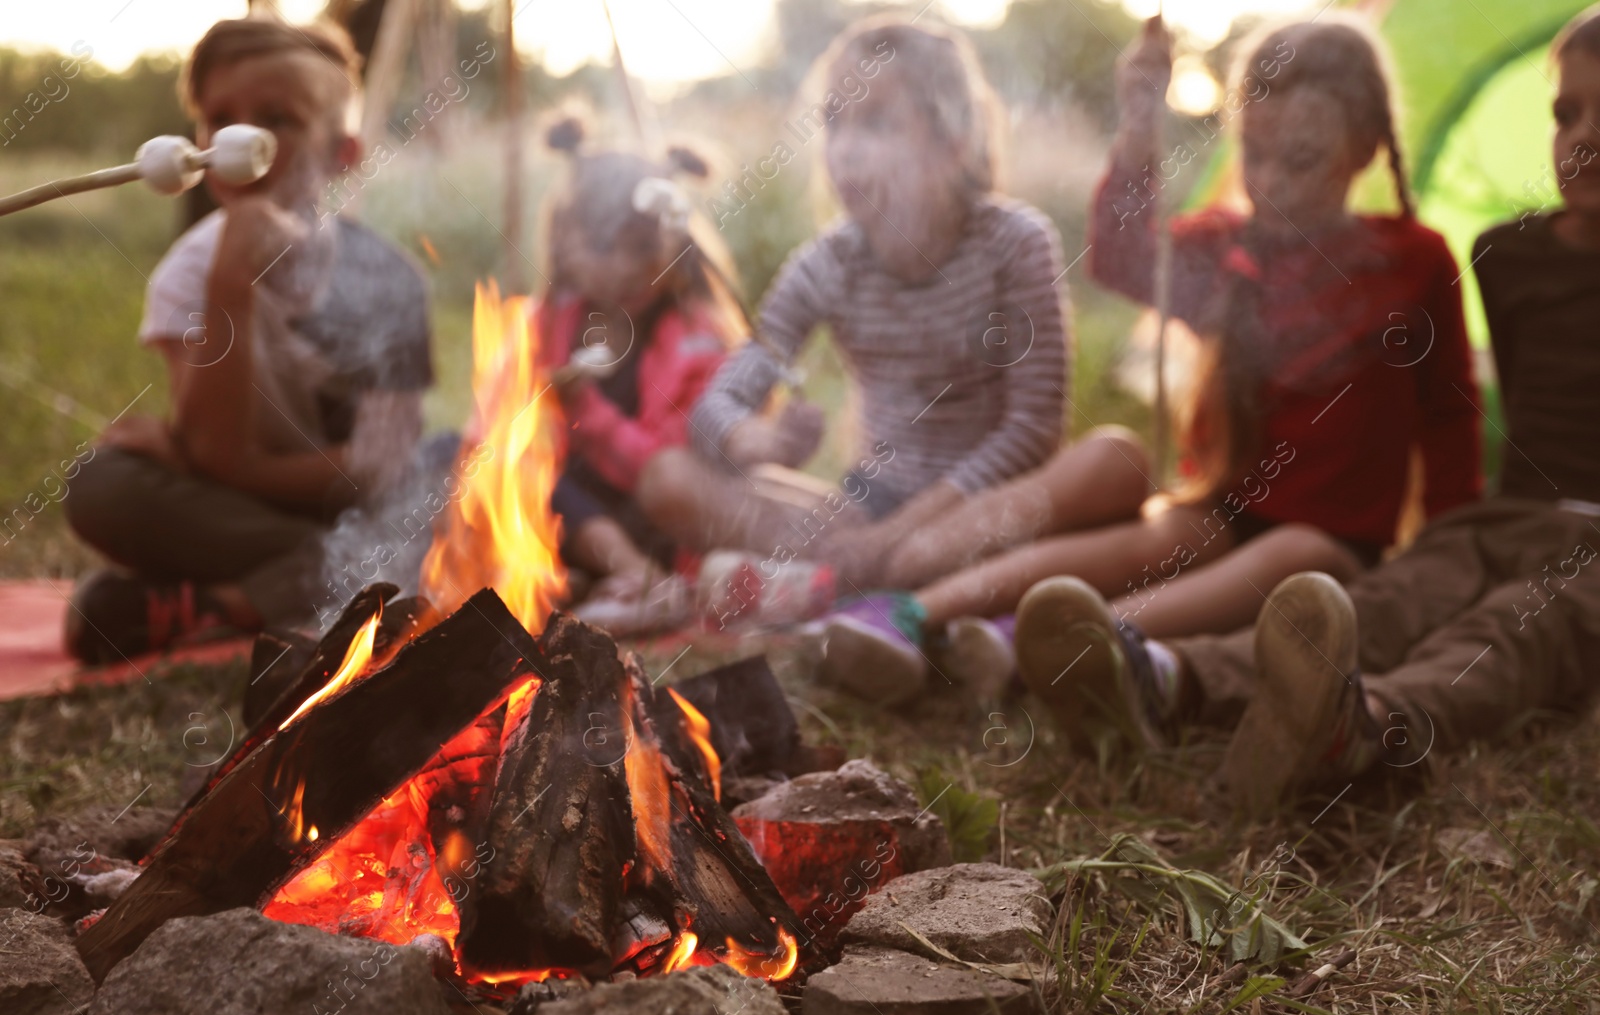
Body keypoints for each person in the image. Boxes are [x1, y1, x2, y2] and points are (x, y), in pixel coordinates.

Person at [1020, 3, 1600, 815]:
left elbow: (1444, 414)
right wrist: (1444, 525)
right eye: (1566, 113)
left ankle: (1367, 720)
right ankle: (1169, 675)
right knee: (1384, 604)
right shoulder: (1509, 257)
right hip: (1506, 517)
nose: (1581, 136)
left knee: (1508, 632)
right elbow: (1463, 418)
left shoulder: (1421, 260)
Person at [816, 14, 1483, 704]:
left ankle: (1038, 643)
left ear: (1366, 148)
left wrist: (1449, 554)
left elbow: (1449, 416)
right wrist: (1139, 122)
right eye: (1254, 153)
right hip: (1219, 510)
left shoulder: (1414, 262)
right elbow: (1124, 254)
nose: (1271, 181)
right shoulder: (1226, 252)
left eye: (1302, 160)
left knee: (1292, 556)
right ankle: (913, 613)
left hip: (1333, 546)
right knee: (1145, 543)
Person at [636, 16, 1151, 694]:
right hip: (865, 512)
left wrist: (900, 538)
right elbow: (715, 408)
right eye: (834, 124)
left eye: (876, 124)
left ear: (952, 140)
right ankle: (912, 596)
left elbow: (1031, 431)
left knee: (1116, 460)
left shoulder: (1014, 242)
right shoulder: (825, 263)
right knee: (667, 476)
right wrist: (754, 434)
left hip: (981, 511)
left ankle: (857, 590)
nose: (845, 151)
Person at [62, 17, 433, 663]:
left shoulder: (390, 279)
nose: (236, 138)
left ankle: (218, 602)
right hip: (248, 514)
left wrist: (218, 465)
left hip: (353, 503)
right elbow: (217, 448)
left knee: (453, 471)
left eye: (276, 118)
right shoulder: (187, 276)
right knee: (101, 484)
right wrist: (232, 281)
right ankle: (313, 581)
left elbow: (378, 463)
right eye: (218, 118)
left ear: (340, 153)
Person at [529, 118, 743, 634]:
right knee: (480, 458)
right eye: (605, 248)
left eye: (644, 248)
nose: (627, 268)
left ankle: (641, 578)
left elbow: (670, 473)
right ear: (564, 240)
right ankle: (585, 580)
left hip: (658, 523)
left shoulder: (697, 339)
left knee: (559, 482)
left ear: (676, 244)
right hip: (567, 516)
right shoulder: (548, 321)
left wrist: (586, 413)